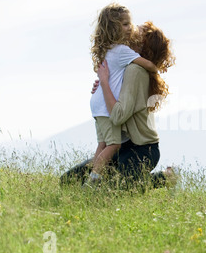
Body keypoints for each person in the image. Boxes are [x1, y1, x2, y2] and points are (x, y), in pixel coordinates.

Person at [60, 21, 176, 189]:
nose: (131, 31)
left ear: (142, 44)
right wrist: (102, 86)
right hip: (122, 146)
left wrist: (105, 83)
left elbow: (118, 116)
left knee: (113, 190)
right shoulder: (128, 65)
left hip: (141, 150)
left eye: (137, 32)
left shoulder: (135, 70)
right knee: (68, 181)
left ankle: (165, 177)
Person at [88, 3, 159, 187]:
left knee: (102, 144)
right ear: (113, 28)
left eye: (130, 24)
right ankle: (93, 180)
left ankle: (92, 177)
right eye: (125, 24)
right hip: (105, 106)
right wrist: (155, 67)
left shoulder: (108, 50)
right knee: (114, 145)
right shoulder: (122, 52)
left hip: (96, 103)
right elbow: (149, 65)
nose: (130, 29)